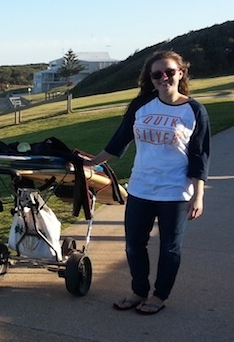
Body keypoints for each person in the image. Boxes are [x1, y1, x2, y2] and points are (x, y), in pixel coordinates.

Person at [85, 50, 211, 315]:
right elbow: (119, 141)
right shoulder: (141, 105)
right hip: (141, 188)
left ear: (181, 73)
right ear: (150, 78)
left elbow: (199, 155)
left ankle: (159, 296)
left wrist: (198, 195)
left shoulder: (194, 110)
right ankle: (138, 291)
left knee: (170, 247)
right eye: (157, 74)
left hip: (175, 192)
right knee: (133, 244)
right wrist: (90, 163)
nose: (164, 78)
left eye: (169, 72)